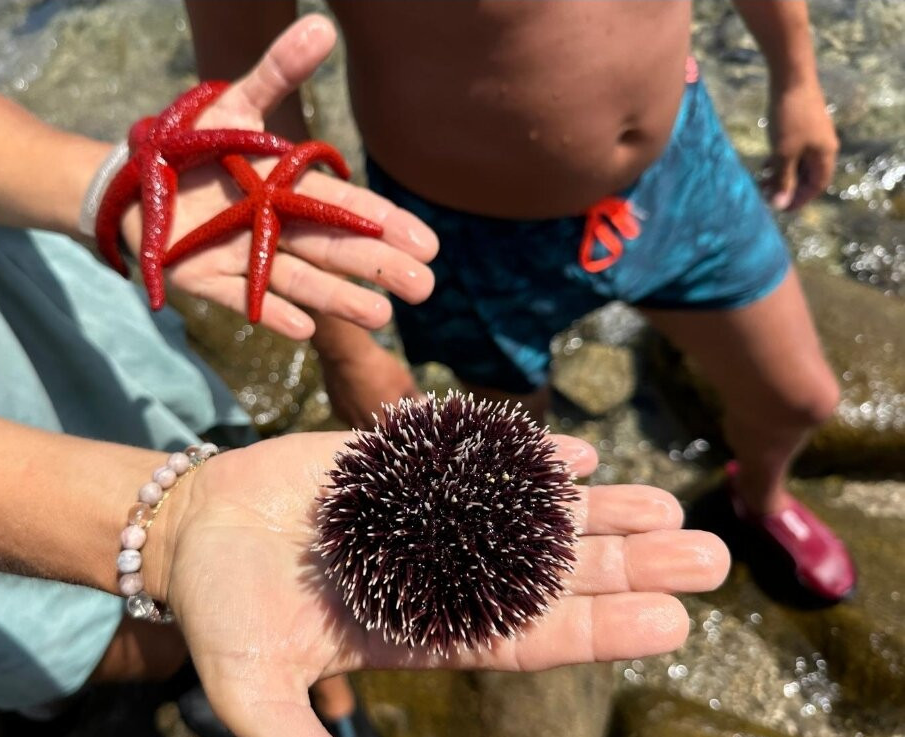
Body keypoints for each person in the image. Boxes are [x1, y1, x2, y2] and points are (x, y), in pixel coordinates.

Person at [0, 6, 730, 737]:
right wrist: (170, 528)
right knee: (94, 637)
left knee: (195, 448)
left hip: (7, 301)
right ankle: (198, 664)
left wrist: (112, 190)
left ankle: (304, 680)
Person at [185, 0, 854, 604]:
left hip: (679, 169)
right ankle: (553, 556)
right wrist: (344, 348)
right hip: (463, 236)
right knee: (518, 455)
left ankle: (756, 496)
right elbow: (254, 114)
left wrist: (795, 76)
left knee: (799, 398)